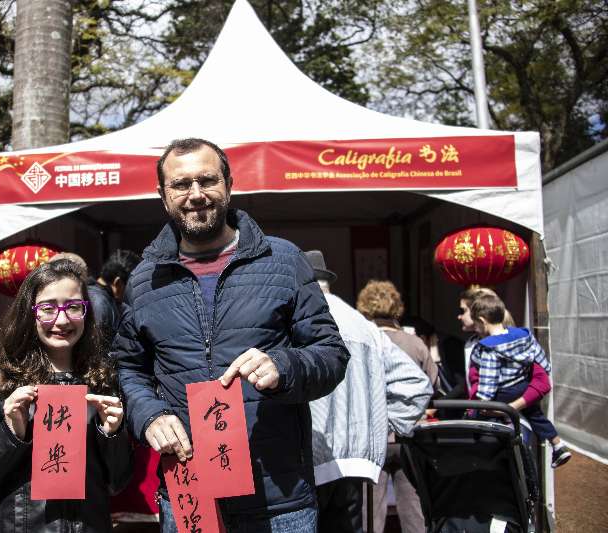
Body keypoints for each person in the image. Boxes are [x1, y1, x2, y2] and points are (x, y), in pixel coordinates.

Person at [113, 138, 348, 531]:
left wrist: (284, 366)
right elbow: (128, 368)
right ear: (162, 195)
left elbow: (331, 354)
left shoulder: (283, 260)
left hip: (279, 499)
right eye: (181, 184)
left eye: (207, 180)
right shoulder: (144, 280)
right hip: (189, 492)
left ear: (229, 185)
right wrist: (149, 414)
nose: (196, 195)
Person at [0, 259, 133, 532]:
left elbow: (118, 482)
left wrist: (112, 434)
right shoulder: (3, 377)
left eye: (74, 307)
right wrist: (12, 434)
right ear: (30, 313)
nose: (62, 320)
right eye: (47, 308)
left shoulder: (101, 376)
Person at [306, 251, 432, 533]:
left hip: (309, 458)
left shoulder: (298, 318)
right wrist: (379, 426)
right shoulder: (363, 325)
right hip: (354, 461)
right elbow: (417, 385)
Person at [356, 280, 436, 533]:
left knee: (370, 511)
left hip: (372, 435)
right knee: (413, 506)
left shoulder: (361, 342)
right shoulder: (415, 343)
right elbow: (430, 383)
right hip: (408, 435)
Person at [467, 292, 571, 468]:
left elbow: (489, 381)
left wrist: (482, 403)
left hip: (502, 393)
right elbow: (542, 361)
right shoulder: (524, 335)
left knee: (476, 418)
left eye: (476, 324)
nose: (476, 329)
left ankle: (473, 450)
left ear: (483, 321)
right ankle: (558, 444)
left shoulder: (489, 348)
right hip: (522, 386)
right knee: (536, 415)